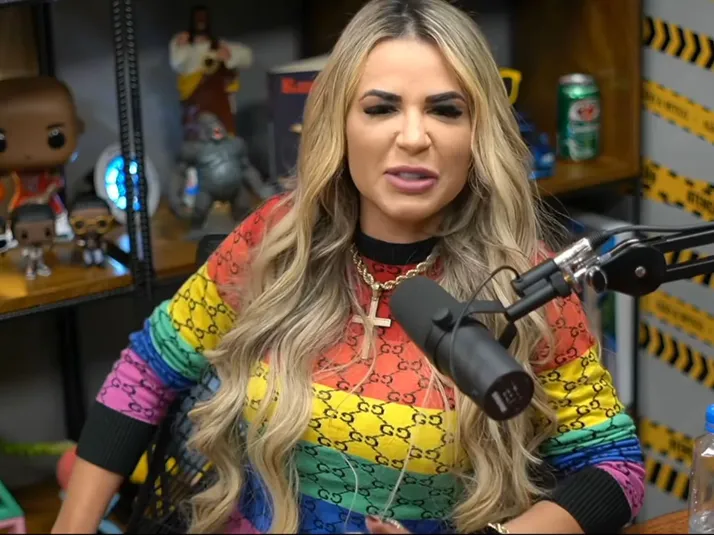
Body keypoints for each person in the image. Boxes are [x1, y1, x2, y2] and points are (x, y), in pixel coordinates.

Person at [53, 1, 645, 533]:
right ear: (339, 123)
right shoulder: (276, 240)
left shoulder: (525, 283)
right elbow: (147, 370)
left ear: (477, 132)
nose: (413, 137)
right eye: (381, 108)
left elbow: (615, 467)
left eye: (445, 110)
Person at [169, 4, 253, 138]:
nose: (200, 22)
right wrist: (181, 45)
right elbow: (177, 63)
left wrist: (229, 56)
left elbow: (247, 57)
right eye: (197, 19)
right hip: (196, 108)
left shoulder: (220, 45)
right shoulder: (186, 49)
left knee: (224, 140)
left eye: (203, 18)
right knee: (199, 140)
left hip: (221, 109)